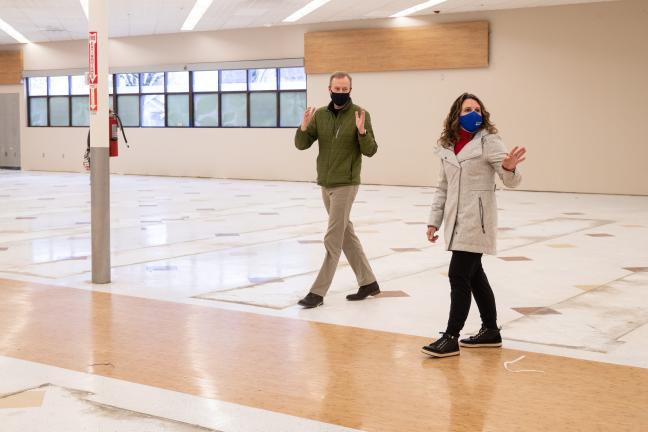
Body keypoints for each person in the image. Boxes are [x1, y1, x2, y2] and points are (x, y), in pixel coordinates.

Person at [421, 93, 527, 357]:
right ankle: (490, 330)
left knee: (458, 275)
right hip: (455, 220)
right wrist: (434, 221)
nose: (473, 113)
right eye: (468, 109)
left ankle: (450, 337)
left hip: (477, 220)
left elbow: (510, 180)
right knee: (474, 276)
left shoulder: (489, 141)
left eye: (478, 109)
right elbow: (442, 187)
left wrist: (510, 168)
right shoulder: (448, 146)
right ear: (457, 114)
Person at [294, 71, 380, 308]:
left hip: (347, 183)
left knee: (333, 238)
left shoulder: (360, 114)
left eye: (344, 90)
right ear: (329, 89)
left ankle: (317, 293)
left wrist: (362, 132)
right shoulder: (320, 115)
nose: (340, 93)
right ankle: (368, 282)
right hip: (326, 183)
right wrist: (303, 126)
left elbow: (371, 150)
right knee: (346, 235)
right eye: (337, 89)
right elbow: (302, 145)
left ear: (350, 90)